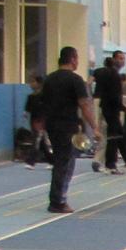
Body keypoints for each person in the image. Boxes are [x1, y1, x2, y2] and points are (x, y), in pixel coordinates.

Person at [39, 45, 97, 215]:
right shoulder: (75, 80)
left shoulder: (48, 79)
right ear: (72, 59)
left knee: (60, 162)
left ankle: (57, 198)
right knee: (65, 164)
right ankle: (58, 201)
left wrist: (42, 125)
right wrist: (94, 127)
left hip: (52, 125)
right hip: (68, 126)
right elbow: (85, 105)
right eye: (77, 58)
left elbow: (42, 103)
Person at [92, 51, 126, 173]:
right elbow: (115, 95)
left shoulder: (101, 72)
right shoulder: (113, 75)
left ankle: (98, 160)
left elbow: (89, 82)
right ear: (113, 60)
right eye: (120, 58)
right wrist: (123, 107)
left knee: (105, 132)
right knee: (111, 132)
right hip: (107, 106)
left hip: (103, 104)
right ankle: (112, 163)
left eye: (124, 59)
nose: (122, 61)